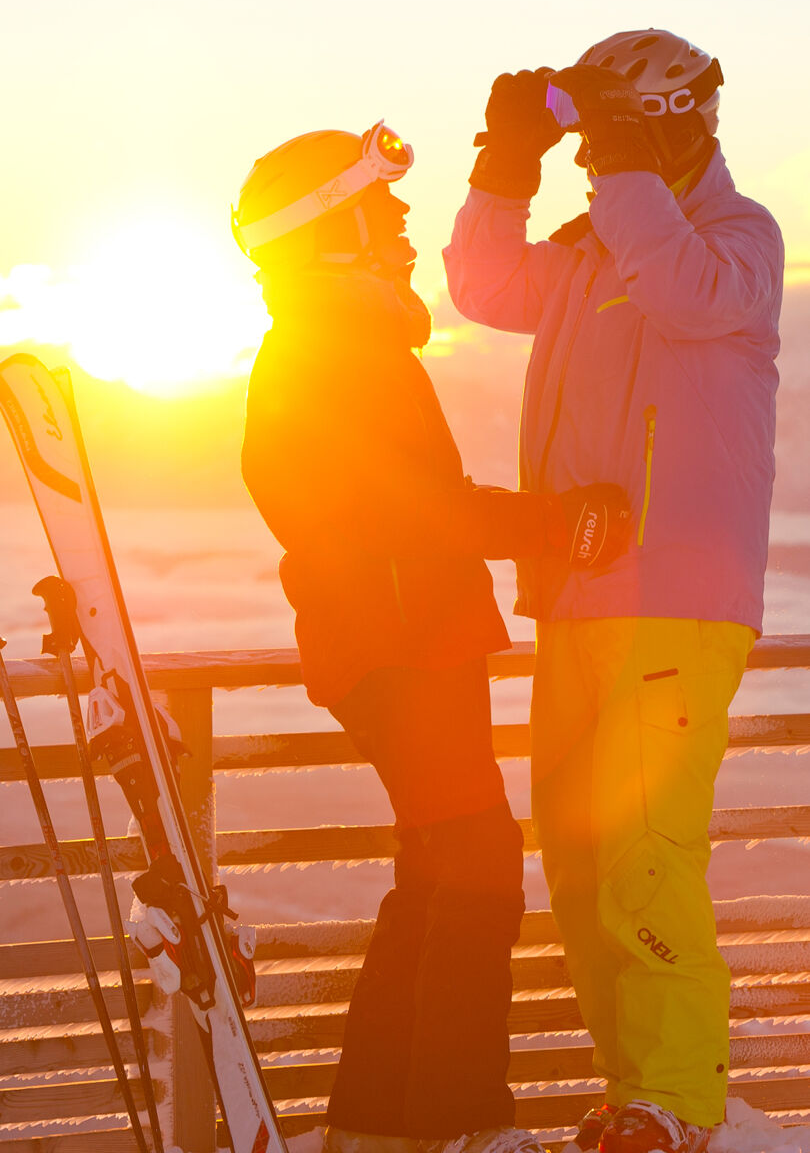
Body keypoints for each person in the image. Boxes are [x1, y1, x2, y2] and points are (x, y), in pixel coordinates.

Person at [231, 122, 630, 1153]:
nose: (403, 222)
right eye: (382, 205)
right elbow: (416, 511)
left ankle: (373, 1126)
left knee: (441, 875)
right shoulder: (329, 350)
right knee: (479, 871)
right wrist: (556, 522)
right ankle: (461, 1125)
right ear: (328, 235)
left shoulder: (333, 344)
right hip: (398, 645)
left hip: (405, 639)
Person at [443, 30, 783, 1153]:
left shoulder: (737, 241)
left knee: (645, 855)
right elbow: (485, 287)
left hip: (680, 598)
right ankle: (634, 1093)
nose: (592, 157)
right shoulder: (601, 245)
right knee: (586, 866)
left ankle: (680, 1102)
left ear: (677, 119)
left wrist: (627, 164)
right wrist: (506, 160)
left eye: (610, 134)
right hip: (578, 596)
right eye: (589, 139)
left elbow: (684, 295)